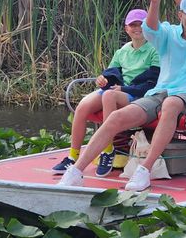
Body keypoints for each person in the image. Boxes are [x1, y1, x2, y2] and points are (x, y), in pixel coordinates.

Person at [58, 0, 186, 191]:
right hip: (162, 91)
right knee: (116, 116)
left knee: (171, 104)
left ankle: (145, 170)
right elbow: (151, 28)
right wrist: (154, 1)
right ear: (181, 15)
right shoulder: (169, 33)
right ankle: (76, 170)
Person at [53, 9, 160, 177]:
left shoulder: (154, 50)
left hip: (138, 94)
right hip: (120, 90)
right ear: (126, 29)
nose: (137, 28)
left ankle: (107, 151)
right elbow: (112, 74)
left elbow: (151, 83)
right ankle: (73, 156)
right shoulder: (122, 51)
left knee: (109, 95)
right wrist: (103, 80)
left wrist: (123, 89)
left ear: (148, 27)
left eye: (141, 24)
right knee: (83, 106)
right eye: (133, 25)